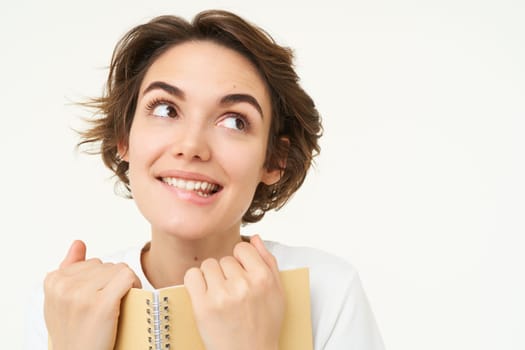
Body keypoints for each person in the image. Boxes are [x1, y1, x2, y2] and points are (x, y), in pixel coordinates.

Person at [28, 9, 385, 350]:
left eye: (234, 120)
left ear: (274, 159)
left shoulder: (328, 291)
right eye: (166, 109)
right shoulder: (67, 302)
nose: (191, 146)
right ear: (124, 138)